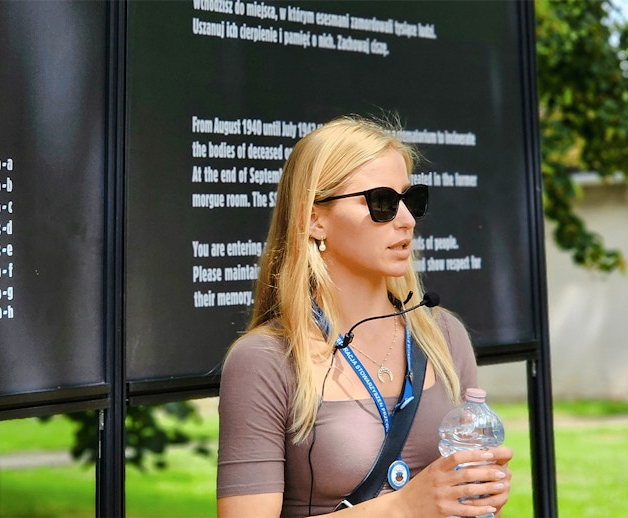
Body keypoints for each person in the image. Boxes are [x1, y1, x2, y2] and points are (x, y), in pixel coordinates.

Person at [217, 114, 513, 517]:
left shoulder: (443, 334)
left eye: (412, 199)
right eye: (382, 203)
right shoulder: (266, 358)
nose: (406, 219)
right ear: (314, 218)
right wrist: (407, 505)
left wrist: (476, 490)